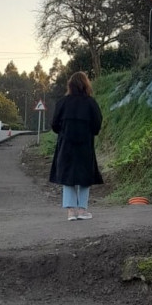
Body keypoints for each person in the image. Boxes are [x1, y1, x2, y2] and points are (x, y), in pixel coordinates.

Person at [49, 71, 104, 221]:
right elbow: (97, 124)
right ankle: (82, 210)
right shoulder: (91, 103)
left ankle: (71, 212)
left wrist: (63, 132)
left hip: (66, 144)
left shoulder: (62, 102)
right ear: (86, 85)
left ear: (70, 85)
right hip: (85, 144)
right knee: (85, 177)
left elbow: (54, 124)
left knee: (67, 177)